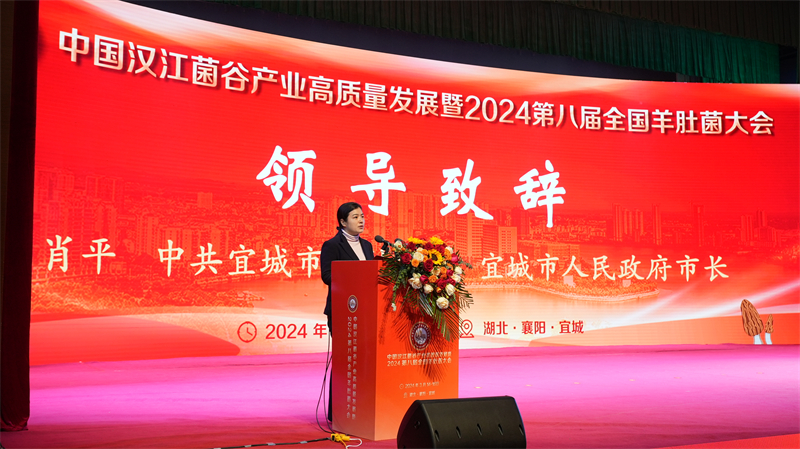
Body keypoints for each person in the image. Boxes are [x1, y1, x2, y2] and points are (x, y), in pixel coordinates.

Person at [319, 202, 374, 421]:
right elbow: (327, 276)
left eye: (362, 216)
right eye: (355, 217)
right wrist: (353, 277)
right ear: (342, 222)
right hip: (343, 311)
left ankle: (361, 407)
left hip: (365, 311)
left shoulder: (367, 246)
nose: (361, 220)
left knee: (364, 360)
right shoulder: (332, 245)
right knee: (345, 360)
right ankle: (338, 412)